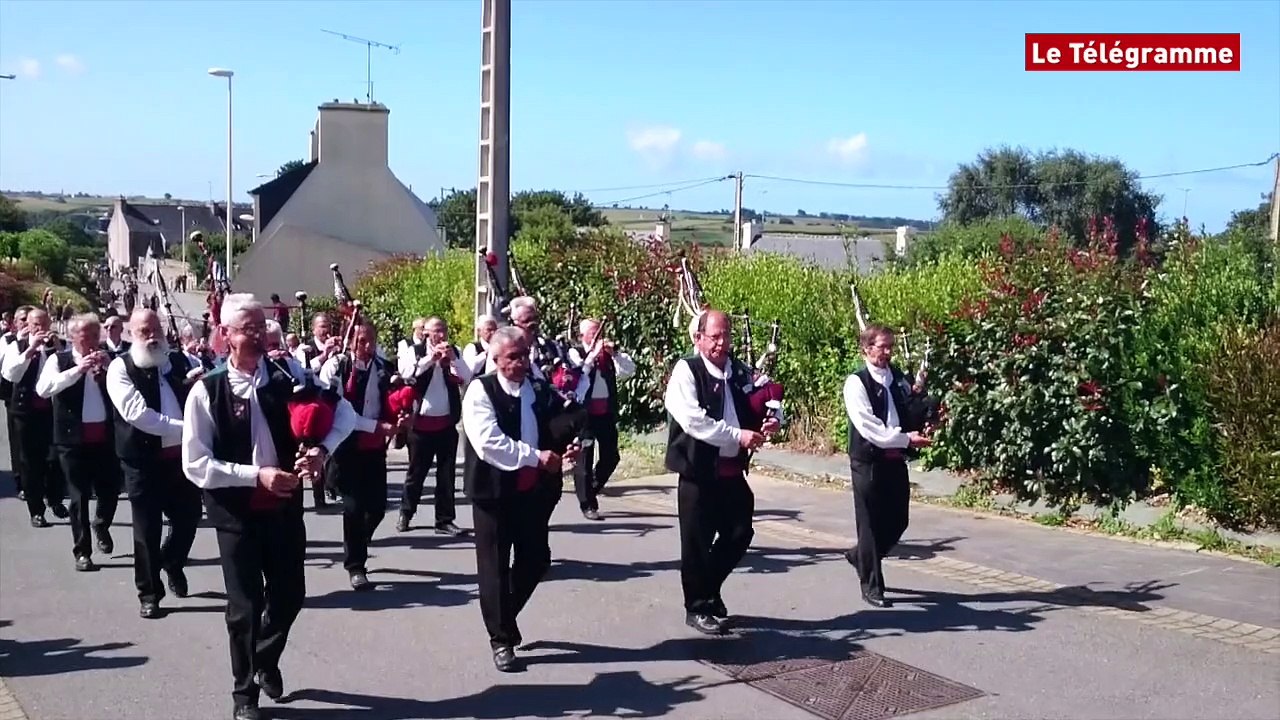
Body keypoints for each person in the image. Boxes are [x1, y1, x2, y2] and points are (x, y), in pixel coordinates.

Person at [182, 294, 356, 720]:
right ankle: (245, 694)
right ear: (225, 335)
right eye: (247, 329)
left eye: (261, 327)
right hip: (236, 514)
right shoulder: (207, 390)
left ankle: (264, 658)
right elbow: (196, 464)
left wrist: (321, 452)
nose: (258, 336)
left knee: (290, 595)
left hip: (282, 508)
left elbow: (344, 414)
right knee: (244, 606)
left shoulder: (286, 376)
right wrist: (254, 475)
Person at [461, 325, 583, 672]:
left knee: (536, 559)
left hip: (529, 490)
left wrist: (568, 445)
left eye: (524, 355)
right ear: (496, 359)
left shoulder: (536, 388)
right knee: (495, 566)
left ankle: (502, 613)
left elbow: (558, 421)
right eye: (513, 357)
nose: (521, 362)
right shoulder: (480, 392)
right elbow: (488, 443)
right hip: (492, 492)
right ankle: (501, 639)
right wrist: (536, 457)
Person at [663, 309, 779, 635]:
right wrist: (737, 435)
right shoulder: (686, 371)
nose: (722, 342)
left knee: (740, 532)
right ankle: (697, 606)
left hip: (731, 470)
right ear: (698, 338)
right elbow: (694, 420)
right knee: (697, 542)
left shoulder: (738, 370)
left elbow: (762, 398)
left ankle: (708, 588)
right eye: (715, 336)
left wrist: (771, 421)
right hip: (698, 472)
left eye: (726, 334)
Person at [106, 309, 204, 618]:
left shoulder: (180, 361)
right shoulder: (120, 368)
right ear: (131, 334)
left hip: (180, 460)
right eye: (143, 331)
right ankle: (149, 593)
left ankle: (173, 562)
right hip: (142, 462)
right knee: (146, 531)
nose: (151, 336)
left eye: (154, 330)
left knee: (188, 520)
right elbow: (138, 415)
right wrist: (186, 427)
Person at [841, 324, 932, 609]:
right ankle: (871, 585)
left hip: (894, 457)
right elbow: (870, 429)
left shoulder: (898, 379)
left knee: (898, 520)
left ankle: (861, 556)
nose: (888, 352)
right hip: (867, 458)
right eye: (882, 347)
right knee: (868, 522)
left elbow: (910, 409)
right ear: (866, 349)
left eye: (890, 346)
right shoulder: (856, 382)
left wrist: (928, 413)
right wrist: (906, 438)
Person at [319, 321, 407, 589]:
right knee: (354, 507)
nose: (367, 347)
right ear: (351, 340)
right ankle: (355, 565)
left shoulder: (384, 368)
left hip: (374, 448)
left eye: (371, 341)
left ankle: (358, 541)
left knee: (378, 508)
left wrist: (401, 417)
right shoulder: (337, 367)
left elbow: (395, 400)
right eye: (361, 341)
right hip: (345, 446)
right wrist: (375, 426)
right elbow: (337, 412)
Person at [35, 314, 120, 572]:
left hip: (105, 437)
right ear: (73, 337)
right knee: (78, 496)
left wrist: (108, 370)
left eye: (96, 335)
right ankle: (82, 551)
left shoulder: (110, 360)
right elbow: (44, 389)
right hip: (72, 440)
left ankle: (101, 524)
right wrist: (77, 370)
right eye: (86, 336)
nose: (93, 341)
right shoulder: (57, 360)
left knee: (110, 490)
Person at [397, 316, 471, 535]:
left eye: (444, 330)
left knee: (446, 475)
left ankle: (444, 520)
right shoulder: (415, 350)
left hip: (446, 423)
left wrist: (452, 361)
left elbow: (467, 377)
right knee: (416, 474)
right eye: (436, 331)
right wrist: (431, 358)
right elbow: (407, 374)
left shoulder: (454, 351)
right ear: (426, 333)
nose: (441, 335)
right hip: (420, 425)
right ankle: (406, 513)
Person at [1, 307, 70, 526]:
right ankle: (36, 509)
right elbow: (10, 374)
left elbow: (68, 372)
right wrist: (30, 350)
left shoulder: (60, 346)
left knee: (55, 458)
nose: (41, 329)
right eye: (36, 325)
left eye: (44, 324)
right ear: (27, 326)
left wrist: (58, 349)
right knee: (30, 462)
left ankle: (55, 497)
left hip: (52, 411)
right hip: (26, 411)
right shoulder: (17, 346)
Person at [567, 317, 636, 520]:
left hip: (605, 411)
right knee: (584, 459)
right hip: (584, 414)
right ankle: (587, 504)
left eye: (599, 331)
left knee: (611, 456)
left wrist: (613, 353)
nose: (598, 335)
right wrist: (592, 356)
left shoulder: (608, 355)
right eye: (593, 332)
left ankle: (592, 488)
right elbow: (578, 374)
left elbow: (628, 371)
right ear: (583, 336)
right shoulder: (575, 352)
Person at [1, 304, 32, 499]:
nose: (27, 325)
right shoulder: (7, 340)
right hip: (14, 397)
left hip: (37, 398)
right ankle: (21, 480)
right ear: (14, 323)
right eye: (23, 321)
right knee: (18, 441)